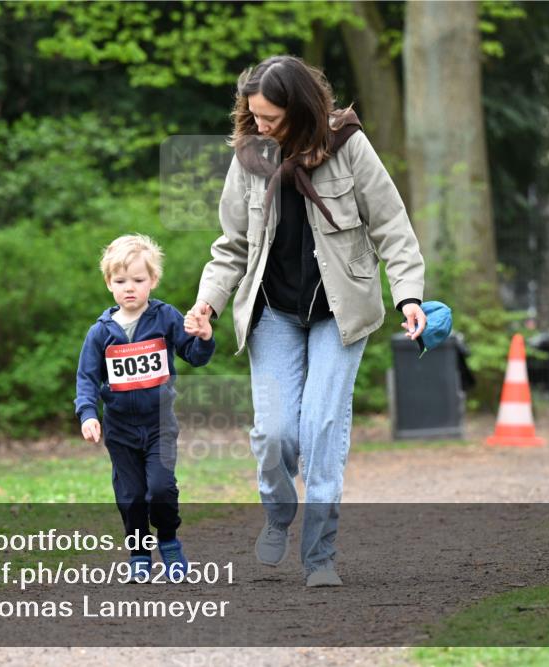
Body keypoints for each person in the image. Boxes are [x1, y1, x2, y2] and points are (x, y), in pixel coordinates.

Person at [185, 55, 427, 587]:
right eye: (254, 116)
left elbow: (392, 228)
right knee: (273, 434)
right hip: (272, 309)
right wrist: (208, 304)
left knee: (321, 427)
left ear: (299, 108)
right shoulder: (249, 158)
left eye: (271, 117)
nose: (260, 126)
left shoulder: (350, 147)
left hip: (339, 314)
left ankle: (320, 555)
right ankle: (277, 512)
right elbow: (230, 246)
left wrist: (409, 297)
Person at [75, 233, 215, 582]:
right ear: (109, 283)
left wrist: (204, 337)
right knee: (132, 495)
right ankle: (139, 553)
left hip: (158, 424)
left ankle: (168, 541)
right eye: (121, 281)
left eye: (138, 280)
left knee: (162, 488)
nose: (130, 288)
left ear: (153, 280)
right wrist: (88, 414)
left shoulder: (165, 317)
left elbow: (194, 356)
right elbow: (86, 378)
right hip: (120, 429)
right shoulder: (100, 333)